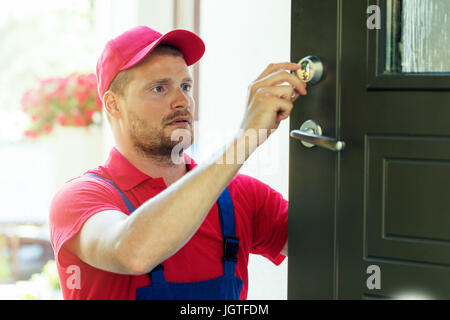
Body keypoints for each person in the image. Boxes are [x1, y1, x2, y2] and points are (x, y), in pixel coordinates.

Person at [49, 25, 307, 300]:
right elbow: (133, 252)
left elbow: (337, 244)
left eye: (185, 86)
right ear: (113, 105)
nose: (182, 101)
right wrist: (245, 138)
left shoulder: (240, 195)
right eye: (159, 88)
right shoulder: (81, 199)